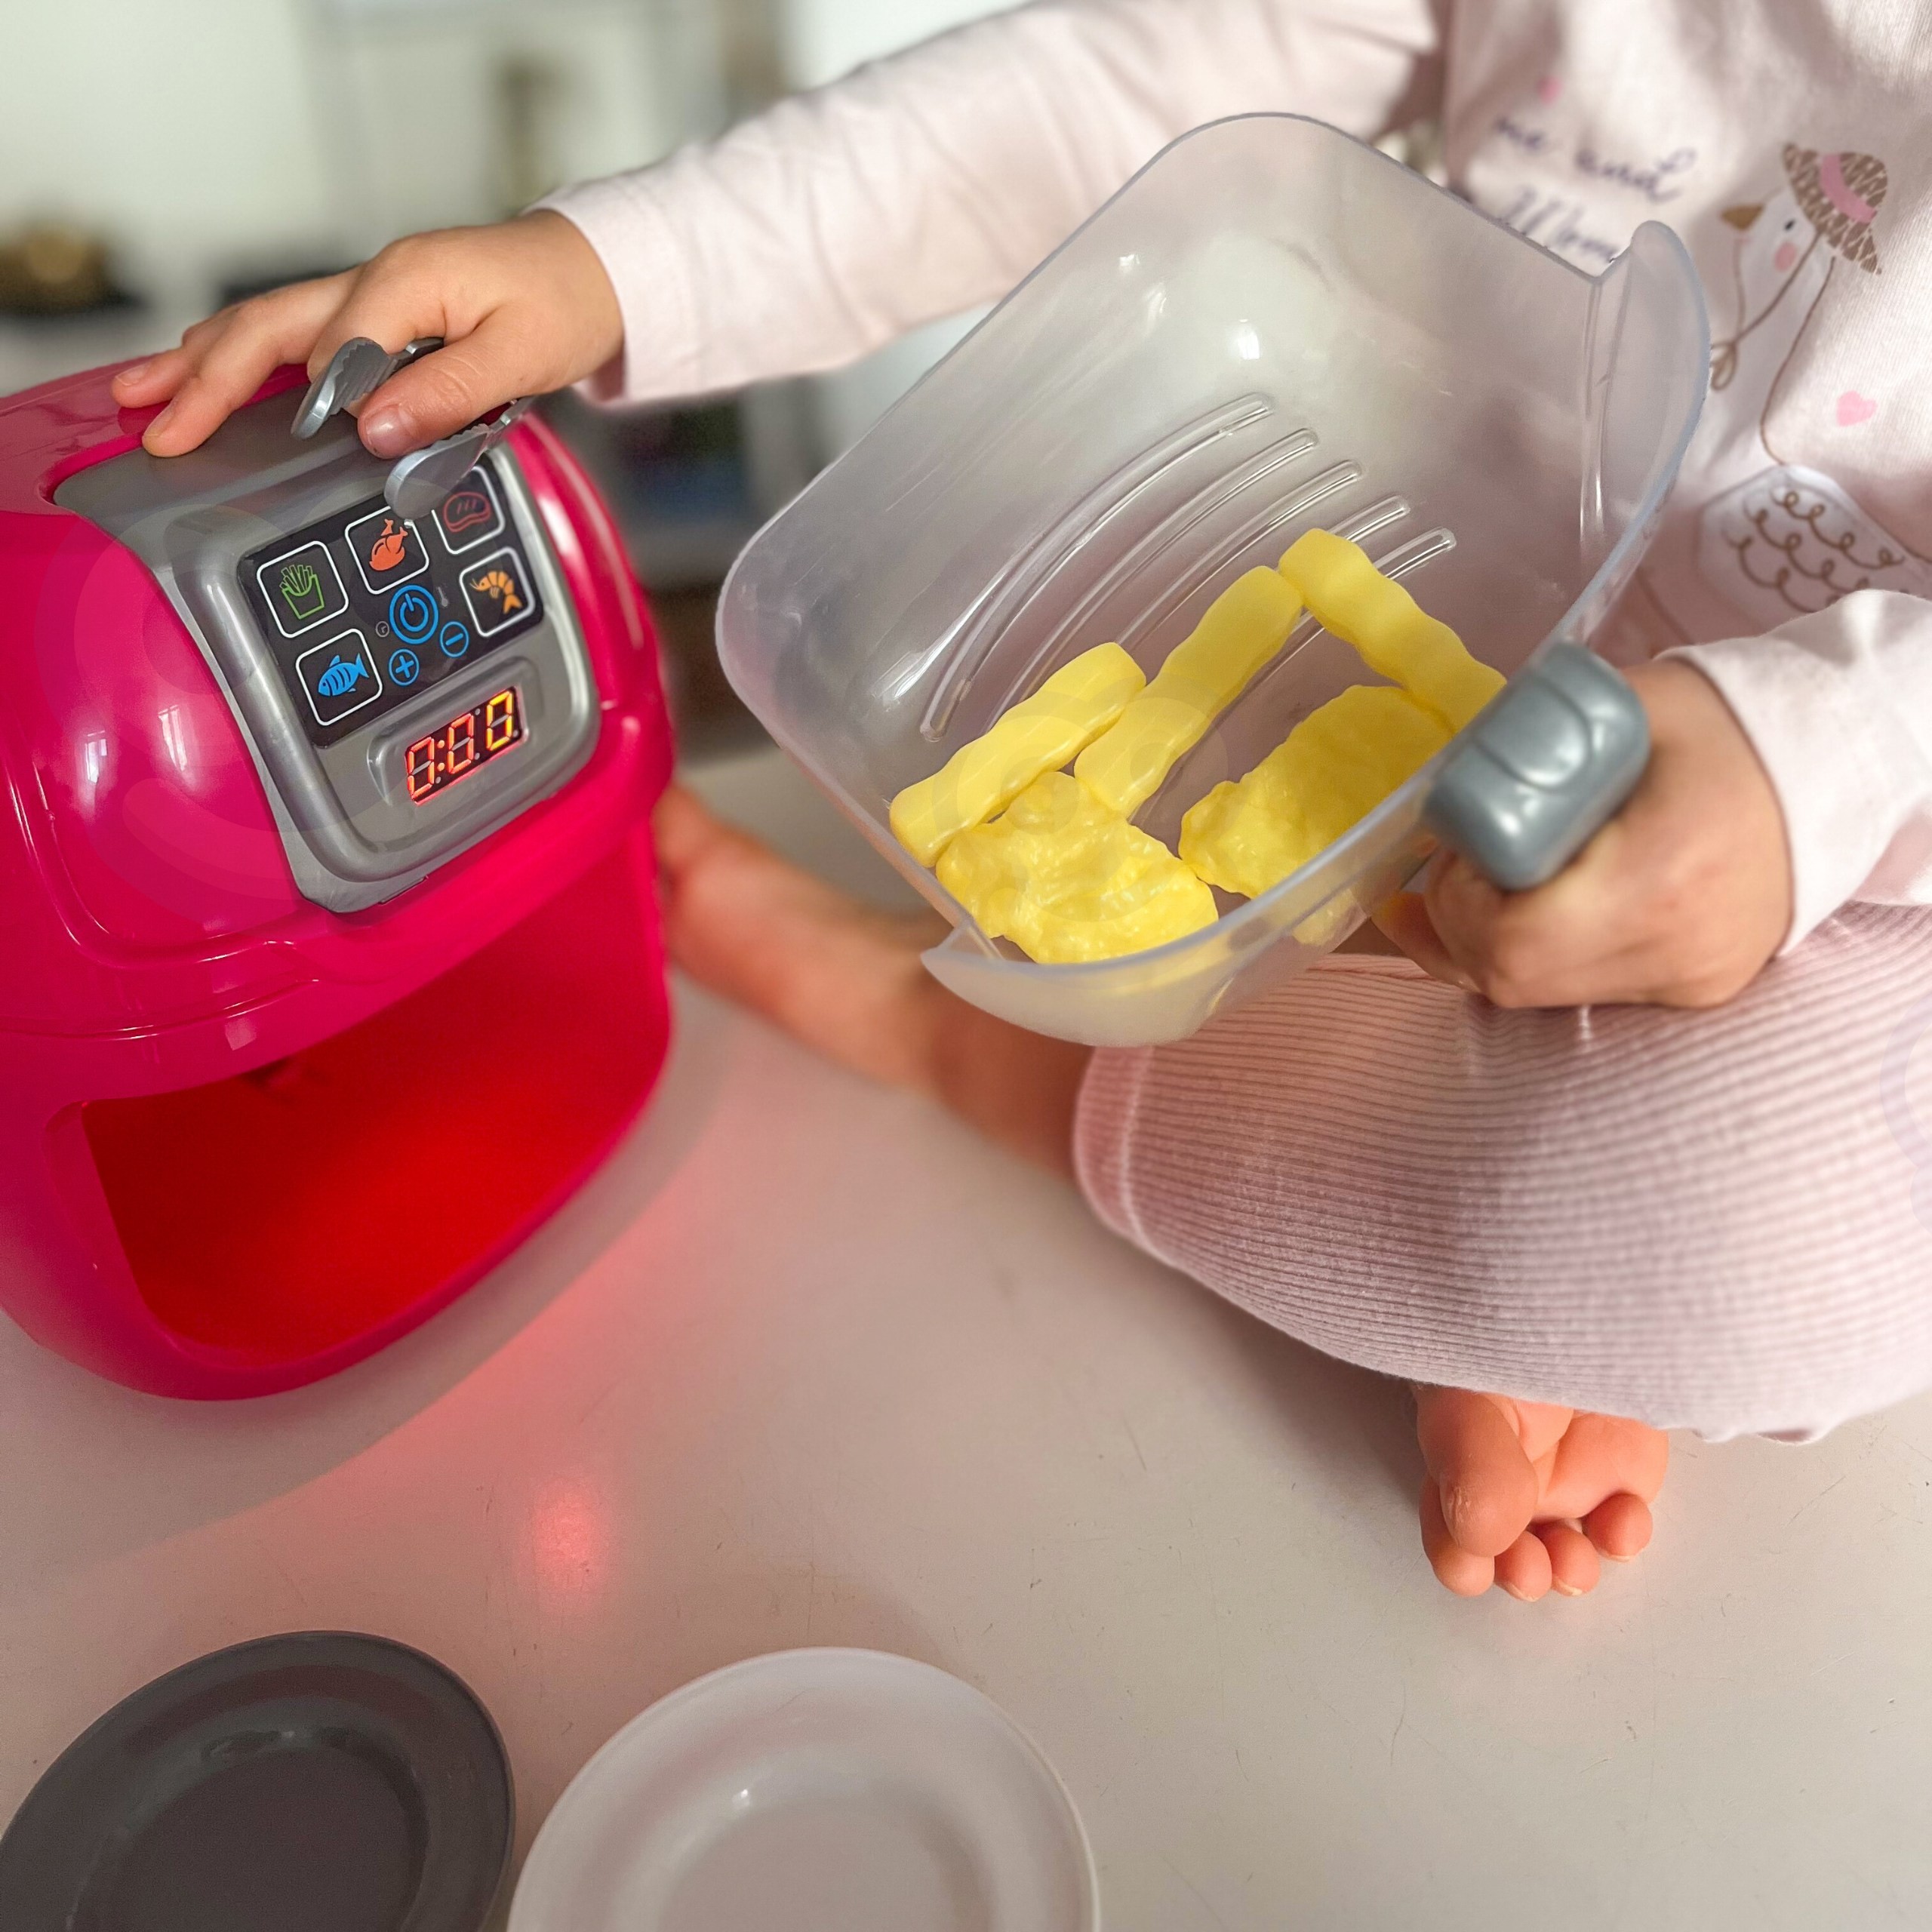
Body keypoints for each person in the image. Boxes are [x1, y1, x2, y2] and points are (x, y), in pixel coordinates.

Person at [110, 0, 1932, 1601]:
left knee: (1798, 1245)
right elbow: (1119, 84)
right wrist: (617, 264)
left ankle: (982, 1046)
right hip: (1413, 617)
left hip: (1855, 834)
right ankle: (1443, 1223)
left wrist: (1824, 761)